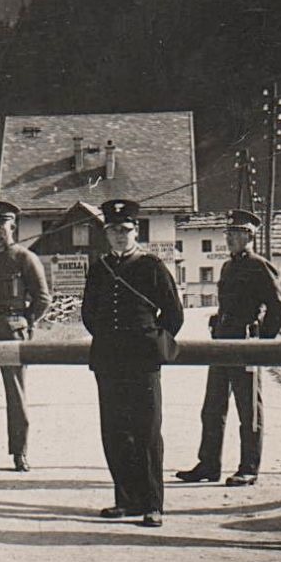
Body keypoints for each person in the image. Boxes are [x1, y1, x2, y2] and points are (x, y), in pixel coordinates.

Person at [81, 199, 184, 527]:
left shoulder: (151, 266)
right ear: (106, 233)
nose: (119, 236)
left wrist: (153, 343)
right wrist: (110, 342)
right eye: (112, 230)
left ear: (135, 231)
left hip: (142, 362)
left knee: (147, 432)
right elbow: (89, 314)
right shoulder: (99, 268)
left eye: (125, 230)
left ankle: (153, 504)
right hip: (109, 361)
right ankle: (125, 500)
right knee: (115, 430)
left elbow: (174, 314)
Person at [176, 209, 281, 486]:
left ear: (250, 236)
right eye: (229, 233)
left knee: (248, 409)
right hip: (222, 343)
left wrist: (264, 344)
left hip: (246, 345)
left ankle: (249, 467)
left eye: (237, 234)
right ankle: (208, 464)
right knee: (212, 407)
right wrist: (217, 321)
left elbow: (277, 307)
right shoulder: (227, 266)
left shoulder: (260, 266)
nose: (230, 239)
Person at [0, 200, 51, 472]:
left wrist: (27, 322)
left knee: (15, 396)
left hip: (13, 331)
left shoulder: (24, 258)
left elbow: (42, 299)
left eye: (1, 225)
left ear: (12, 227)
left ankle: (20, 453)